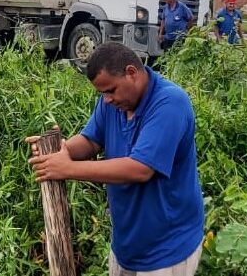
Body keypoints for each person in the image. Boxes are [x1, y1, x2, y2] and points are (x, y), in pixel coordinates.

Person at [26, 42, 204, 276]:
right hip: (126, 245)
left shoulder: (169, 103)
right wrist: (60, 151)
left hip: (167, 249)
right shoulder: (114, 102)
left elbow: (140, 169)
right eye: (102, 93)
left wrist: (67, 168)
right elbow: (91, 141)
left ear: (131, 72)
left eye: (110, 90)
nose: (107, 99)